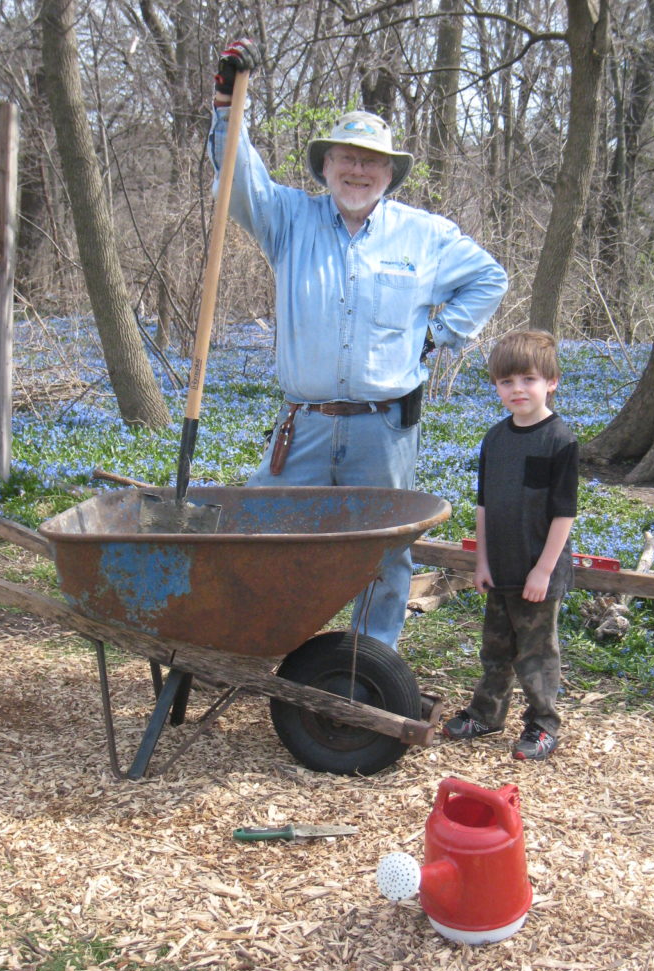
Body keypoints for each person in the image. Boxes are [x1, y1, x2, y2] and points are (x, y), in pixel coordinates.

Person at [208, 39, 508, 649]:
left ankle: (370, 663)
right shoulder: (287, 220)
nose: (358, 170)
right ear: (326, 166)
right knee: (260, 531)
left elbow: (489, 278)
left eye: (372, 162)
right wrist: (225, 105)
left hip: (384, 428)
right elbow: (241, 178)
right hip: (306, 424)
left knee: (385, 549)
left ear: (389, 173)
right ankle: (264, 643)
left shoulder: (424, 235)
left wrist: (439, 334)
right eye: (347, 157)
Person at [442, 329, 578, 760]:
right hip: (499, 566)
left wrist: (542, 570)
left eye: (528, 380)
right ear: (496, 387)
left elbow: (564, 513)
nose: (517, 389)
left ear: (551, 382)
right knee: (495, 649)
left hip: (538, 572)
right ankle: (486, 714)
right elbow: (484, 506)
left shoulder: (560, 439)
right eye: (506, 382)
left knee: (536, 654)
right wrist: (482, 562)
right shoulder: (495, 440)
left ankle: (543, 725)